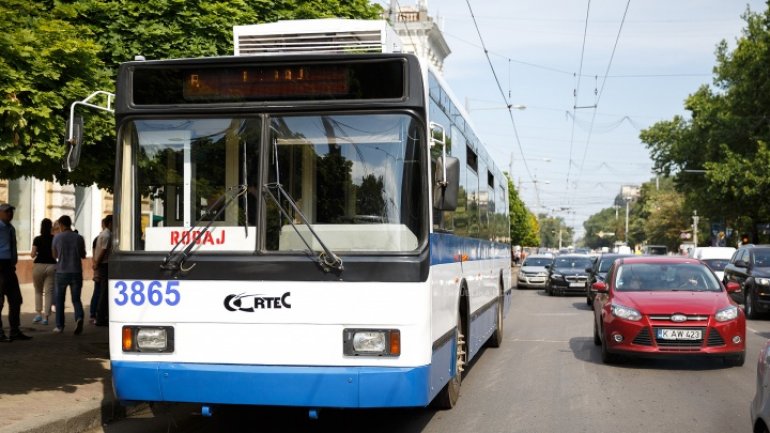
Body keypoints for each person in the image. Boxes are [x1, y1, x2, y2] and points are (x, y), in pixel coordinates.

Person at [0, 203, 31, 341]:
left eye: (11, 211)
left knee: (16, 299)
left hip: (9, 267)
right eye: (7, 212)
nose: (10, 214)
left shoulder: (11, 228)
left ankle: (15, 330)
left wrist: (14, 260)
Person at [52, 215, 86, 335]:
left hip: (61, 271)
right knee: (76, 299)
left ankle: (60, 326)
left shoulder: (57, 238)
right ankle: (79, 317)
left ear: (61, 225)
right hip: (76, 271)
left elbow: (54, 255)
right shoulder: (79, 238)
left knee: (59, 300)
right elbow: (83, 254)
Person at [30, 218, 57, 326]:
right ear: (50, 227)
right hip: (51, 266)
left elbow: (32, 254)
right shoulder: (54, 239)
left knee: (38, 291)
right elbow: (56, 254)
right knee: (49, 291)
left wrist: (38, 253)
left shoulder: (37, 239)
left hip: (39, 266)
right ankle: (46, 317)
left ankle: (38, 314)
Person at [90, 215, 112, 326]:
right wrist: (97, 263)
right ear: (109, 223)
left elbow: (95, 251)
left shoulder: (102, 234)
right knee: (103, 292)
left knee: (100, 291)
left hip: (100, 265)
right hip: (104, 265)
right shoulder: (108, 235)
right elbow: (103, 250)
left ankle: (99, 316)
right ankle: (100, 317)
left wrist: (95, 263)